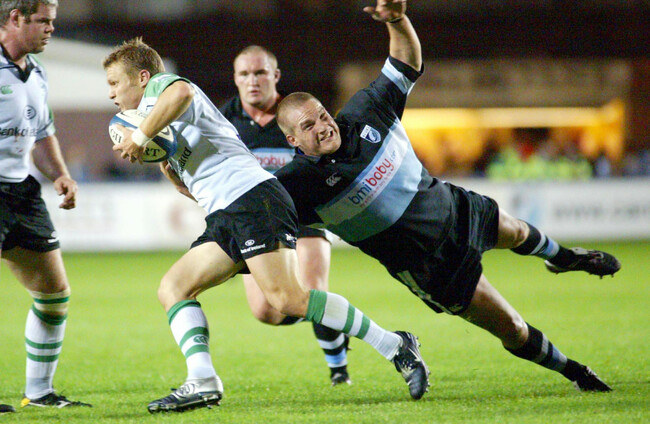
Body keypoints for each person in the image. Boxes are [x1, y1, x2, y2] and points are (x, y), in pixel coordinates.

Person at [274, 0, 620, 393]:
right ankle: (576, 372)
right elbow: (252, 215)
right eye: (309, 126)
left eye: (322, 115)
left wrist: (397, 20)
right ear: (293, 140)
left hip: (454, 208)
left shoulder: (367, 111)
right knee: (512, 327)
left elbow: (406, 63)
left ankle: (564, 258)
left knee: (519, 232)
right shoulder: (296, 185)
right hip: (431, 267)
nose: (323, 126)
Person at [103, 33, 429, 413]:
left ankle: (395, 345)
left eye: (114, 82)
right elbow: (189, 179)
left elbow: (182, 93)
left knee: (287, 300)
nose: (111, 93)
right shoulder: (163, 122)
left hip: (252, 198)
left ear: (143, 77)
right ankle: (203, 380)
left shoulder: (162, 88)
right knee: (174, 288)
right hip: (228, 211)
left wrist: (141, 136)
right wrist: (169, 164)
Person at [220, 45, 350, 386]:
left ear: (275, 75)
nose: (253, 80)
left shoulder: (296, 114)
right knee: (267, 312)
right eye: (244, 74)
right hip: (257, 221)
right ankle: (332, 322)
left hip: (302, 213)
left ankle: (339, 369)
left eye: (260, 72)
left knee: (312, 290)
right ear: (235, 79)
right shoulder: (224, 121)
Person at [0, 0, 91, 410]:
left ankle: (38, 392)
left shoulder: (37, 73)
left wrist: (60, 175)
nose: (51, 29)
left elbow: (42, 135)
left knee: (53, 294)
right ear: (15, 17)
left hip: (21, 192)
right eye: (44, 21)